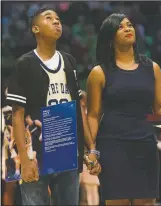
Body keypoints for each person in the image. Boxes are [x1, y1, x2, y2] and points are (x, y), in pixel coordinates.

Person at [6, 7, 101, 205]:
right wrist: (24, 159)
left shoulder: (69, 61)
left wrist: (91, 148)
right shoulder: (24, 63)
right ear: (35, 29)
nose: (56, 21)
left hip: (67, 146)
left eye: (58, 19)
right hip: (36, 150)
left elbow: (78, 109)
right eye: (49, 18)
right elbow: (17, 114)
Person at [87, 13, 161, 206]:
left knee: (146, 202)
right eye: (120, 27)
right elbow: (94, 116)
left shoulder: (152, 68)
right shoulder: (99, 73)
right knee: (117, 202)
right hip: (112, 145)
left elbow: (160, 107)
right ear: (110, 39)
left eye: (129, 25)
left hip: (145, 144)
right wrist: (92, 150)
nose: (128, 28)